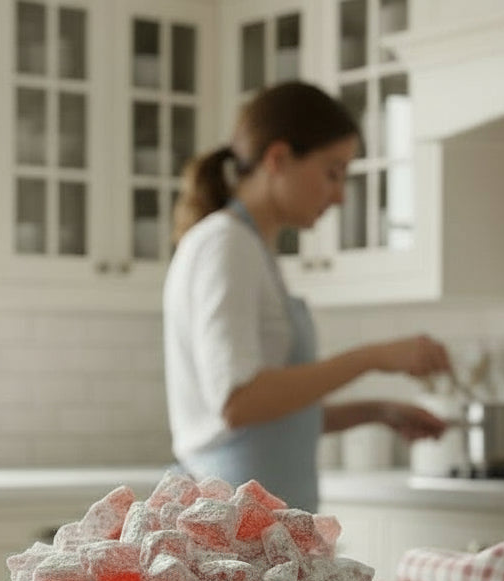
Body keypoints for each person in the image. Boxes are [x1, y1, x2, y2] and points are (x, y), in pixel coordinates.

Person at [163, 80, 451, 513]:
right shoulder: (226, 244)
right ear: (278, 158)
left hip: (260, 521)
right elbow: (239, 403)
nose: (339, 195)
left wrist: (377, 412)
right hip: (234, 525)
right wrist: (373, 356)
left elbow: (273, 421)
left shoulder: (250, 248)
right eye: (332, 172)